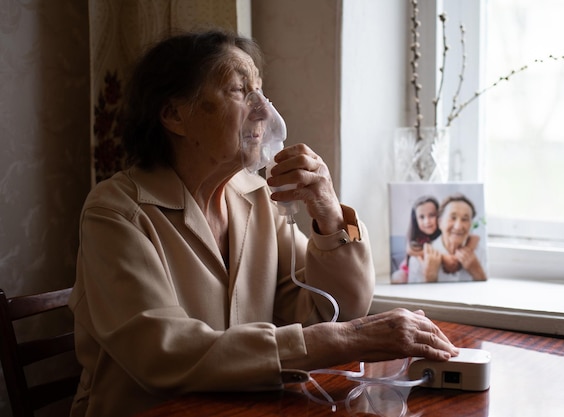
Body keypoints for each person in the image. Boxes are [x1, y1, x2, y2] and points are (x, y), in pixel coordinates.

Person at [68, 30, 459, 417]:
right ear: (174, 115)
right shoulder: (115, 212)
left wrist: (328, 214)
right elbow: (161, 355)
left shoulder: (257, 196)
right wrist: (347, 340)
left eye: (261, 91)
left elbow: (335, 310)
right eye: (240, 91)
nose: (264, 110)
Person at [408, 193, 486, 282]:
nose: (458, 226)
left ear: (471, 224)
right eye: (452, 218)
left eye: (465, 219)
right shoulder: (419, 260)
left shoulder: (480, 253)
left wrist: (478, 273)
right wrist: (429, 277)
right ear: (440, 222)